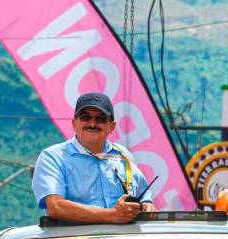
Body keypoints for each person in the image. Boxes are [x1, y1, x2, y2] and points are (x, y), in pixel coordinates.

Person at [32, 92, 156, 224]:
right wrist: (112, 215)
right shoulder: (53, 157)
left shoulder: (122, 155)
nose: (92, 123)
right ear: (74, 123)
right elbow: (56, 207)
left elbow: (143, 194)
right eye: (85, 117)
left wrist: (146, 204)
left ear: (111, 126)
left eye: (100, 119)